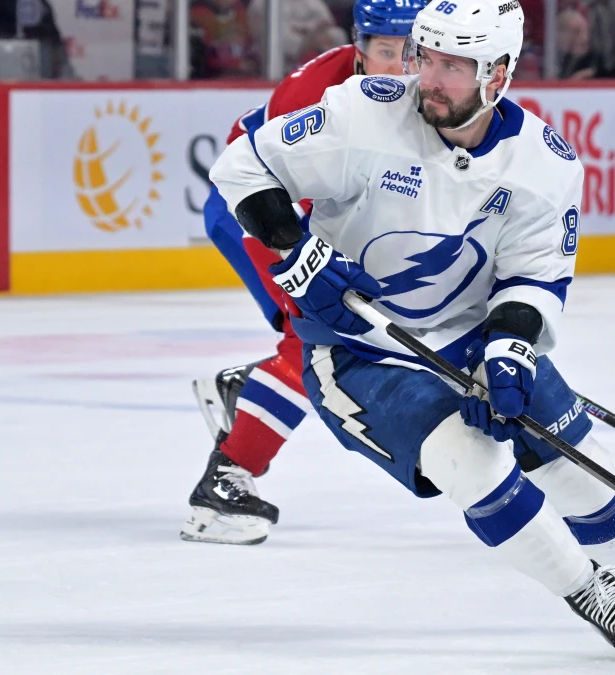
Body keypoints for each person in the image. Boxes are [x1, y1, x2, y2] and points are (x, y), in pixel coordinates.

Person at [209, 0, 615, 654]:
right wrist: (295, 254)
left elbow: (533, 276)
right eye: (425, 57)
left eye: (452, 65)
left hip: (467, 337)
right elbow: (241, 167)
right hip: (358, 353)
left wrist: (512, 348)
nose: (429, 76)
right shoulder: (362, 113)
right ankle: (591, 590)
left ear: (497, 76)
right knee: (470, 459)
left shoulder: (543, 164)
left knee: (570, 453)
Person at [181, 0, 426, 546]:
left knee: (316, 335)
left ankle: (246, 391)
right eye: (387, 51)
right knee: (312, 336)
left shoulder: (423, 88)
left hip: (313, 211)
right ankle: (222, 488)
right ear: (360, 47)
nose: (401, 65)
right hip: (255, 209)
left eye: (412, 51)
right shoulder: (314, 95)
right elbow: (264, 193)